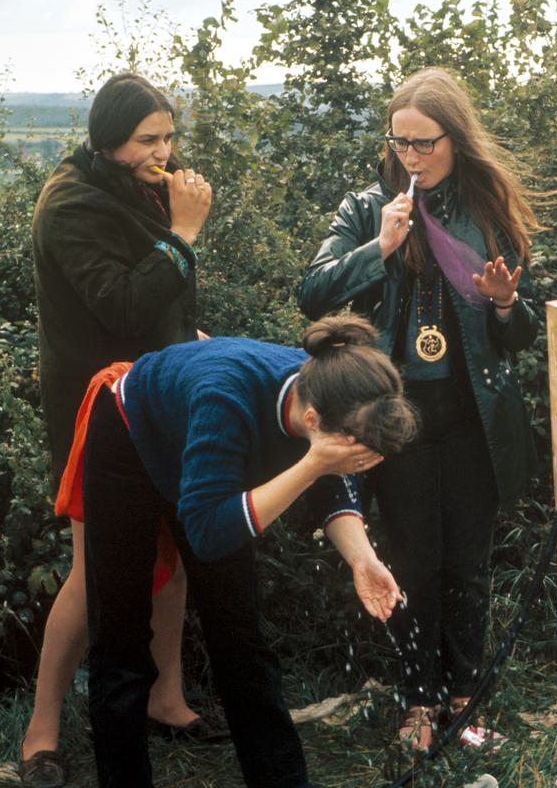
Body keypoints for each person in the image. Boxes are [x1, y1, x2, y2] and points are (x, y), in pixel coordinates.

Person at [297, 67, 540, 750]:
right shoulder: (365, 207)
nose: (411, 157)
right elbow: (311, 292)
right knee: (409, 559)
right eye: (399, 143)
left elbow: (520, 337)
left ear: (455, 139)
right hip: (393, 418)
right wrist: (380, 248)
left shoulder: (488, 211)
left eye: (424, 144)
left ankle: (464, 697)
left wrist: (501, 303)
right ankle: (416, 702)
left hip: (472, 416)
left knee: (466, 560)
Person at [80, 315, 417, 787]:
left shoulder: (332, 390)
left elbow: (333, 487)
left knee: (240, 635)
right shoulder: (226, 398)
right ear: (314, 423)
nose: (347, 463)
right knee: (122, 629)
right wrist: (312, 465)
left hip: (211, 455)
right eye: (346, 453)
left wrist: (362, 558)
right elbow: (208, 533)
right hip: (129, 437)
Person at [25, 72, 215, 786]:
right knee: (95, 569)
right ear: (108, 140)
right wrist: (184, 234)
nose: (162, 152)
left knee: (176, 544)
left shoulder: (132, 186)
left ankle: (166, 698)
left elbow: (157, 298)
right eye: (147, 139)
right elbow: (119, 303)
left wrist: (186, 335)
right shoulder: (70, 204)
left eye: (168, 136)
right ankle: (41, 729)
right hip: (96, 411)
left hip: (158, 390)